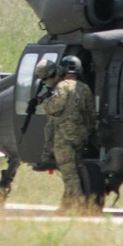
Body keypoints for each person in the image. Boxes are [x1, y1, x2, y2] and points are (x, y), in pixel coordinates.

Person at [41, 55, 97, 213]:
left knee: (68, 172)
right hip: (80, 135)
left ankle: (79, 205)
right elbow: (92, 113)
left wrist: (44, 103)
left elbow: (54, 107)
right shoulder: (85, 88)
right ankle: (66, 204)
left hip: (64, 137)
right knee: (73, 168)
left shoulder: (62, 86)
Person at [31, 58, 60, 172]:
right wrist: (40, 98)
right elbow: (50, 91)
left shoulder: (63, 84)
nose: (44, 82)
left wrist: (46, 103)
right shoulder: (55, 81)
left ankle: (49, 159)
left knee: (50, 127)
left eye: (44, 79)